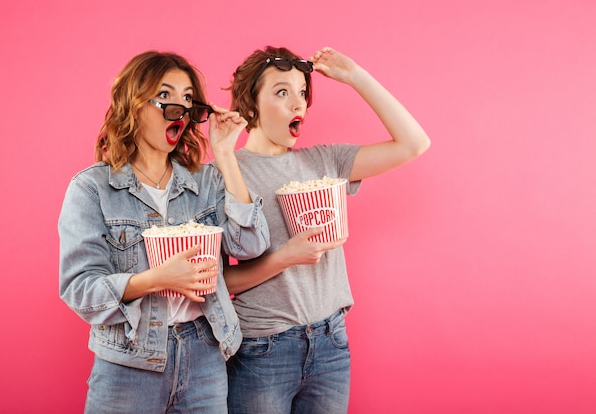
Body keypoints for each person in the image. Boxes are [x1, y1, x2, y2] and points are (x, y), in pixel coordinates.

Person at [58, 51, 270, 414]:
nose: (181, 108)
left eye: (188, 98)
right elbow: (80, 290)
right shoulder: (92, 188)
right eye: (166, 95)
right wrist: (155, 279)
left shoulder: (207, 182)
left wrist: (224, 153)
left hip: (205, 355)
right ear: (135, 105)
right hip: (129, 361)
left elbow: (250, 244)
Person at [223, 46, 431, 414]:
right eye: (281, 92)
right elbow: (219, 282)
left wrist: (355, 76)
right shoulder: (225, 172)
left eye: (302, 93)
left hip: (330, 343)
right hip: (262, 350)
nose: (297, 103)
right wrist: (285, 258)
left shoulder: (324, 161)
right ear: (250, 107)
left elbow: (414, 144)